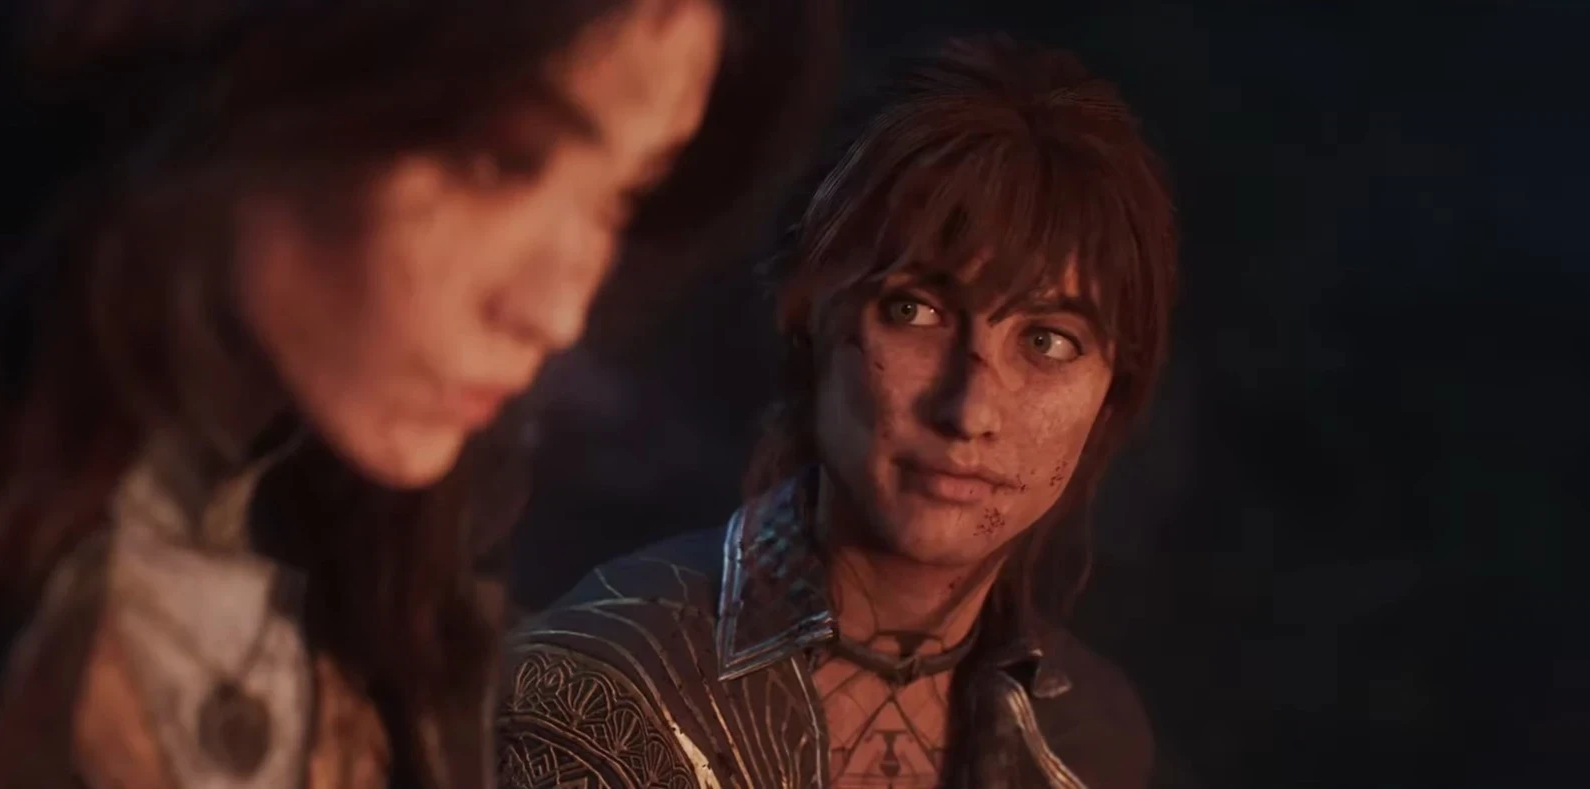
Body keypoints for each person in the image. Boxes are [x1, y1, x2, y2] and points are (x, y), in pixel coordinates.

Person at [0, 0, 838, 786]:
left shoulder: (401, 566)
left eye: (622, 198)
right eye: (502, 160)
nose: (559, 308)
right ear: (265, 57)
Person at [496, 35, 1176, 789]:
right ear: (807, 321)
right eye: (913, 310)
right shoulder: (594, 689)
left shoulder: (1089, 734)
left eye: (1047, 341)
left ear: (1112, 391)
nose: (970, 408)